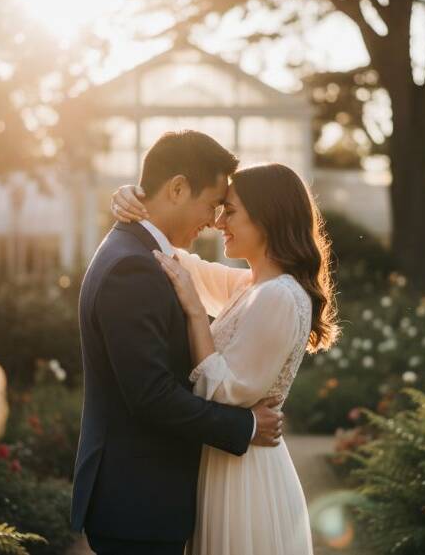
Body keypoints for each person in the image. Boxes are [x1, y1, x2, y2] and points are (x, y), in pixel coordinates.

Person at [71, 130, 285, 555]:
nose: (214, 220)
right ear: (177, 188)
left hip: (142, 502)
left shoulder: (144, 253)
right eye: (212, 205)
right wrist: (245, 426)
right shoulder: (132, 267)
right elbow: (150, 395)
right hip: (138, 504)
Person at [111, 161, 340, 555]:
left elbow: (225, 393)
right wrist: (135, 202)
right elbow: (184, 266)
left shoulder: (279, 296)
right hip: (228, 461)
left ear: (267, 219)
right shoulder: (252, 286)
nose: (218, 222)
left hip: (244, 474)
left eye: (230, 211)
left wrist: (197, 314)